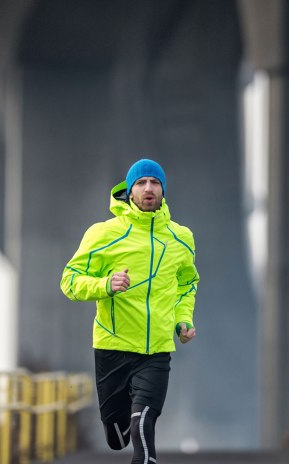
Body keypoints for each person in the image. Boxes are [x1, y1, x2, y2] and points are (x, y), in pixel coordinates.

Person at [60, 158, 199, 464]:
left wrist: (182, 321)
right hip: (112, 346)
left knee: (143, 425)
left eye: (155, 182)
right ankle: (116, 424)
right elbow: (69, 281)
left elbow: (187, 285)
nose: (148, 188)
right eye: (141, 183)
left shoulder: (181, 238)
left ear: (163, 191)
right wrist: (106, 284)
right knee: (117, 436)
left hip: (156, 351)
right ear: (129, 191)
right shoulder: (104, 234)